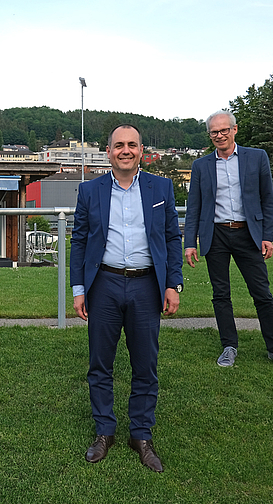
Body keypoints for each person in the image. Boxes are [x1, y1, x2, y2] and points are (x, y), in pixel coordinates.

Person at [70, 124, 183, 473]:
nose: (125, 151)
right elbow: (79, 239)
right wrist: (78, 289)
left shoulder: (160, 187)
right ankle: (104, 431)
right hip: (103, 284)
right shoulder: (90, 190)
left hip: (147, 286)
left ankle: (141, 434)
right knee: (100, 364)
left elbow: (171, 238)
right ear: (108, 152)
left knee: (145, 366)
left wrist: (172, 284)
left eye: (131, 145)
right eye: (118, 145)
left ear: (141, 150)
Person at [184, 110, 273, 372]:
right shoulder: (201, 165)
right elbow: (194, 206)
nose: (219, 135)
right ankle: (229, 346)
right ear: (210, 135)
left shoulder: (257, 157)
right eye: (214, 132)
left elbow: (267, 199)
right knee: (221, 294)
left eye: (224, 130)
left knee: (262, 293)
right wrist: (190, 242)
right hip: (214, 235)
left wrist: (267, 236)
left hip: (248, 234)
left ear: (234, 130)